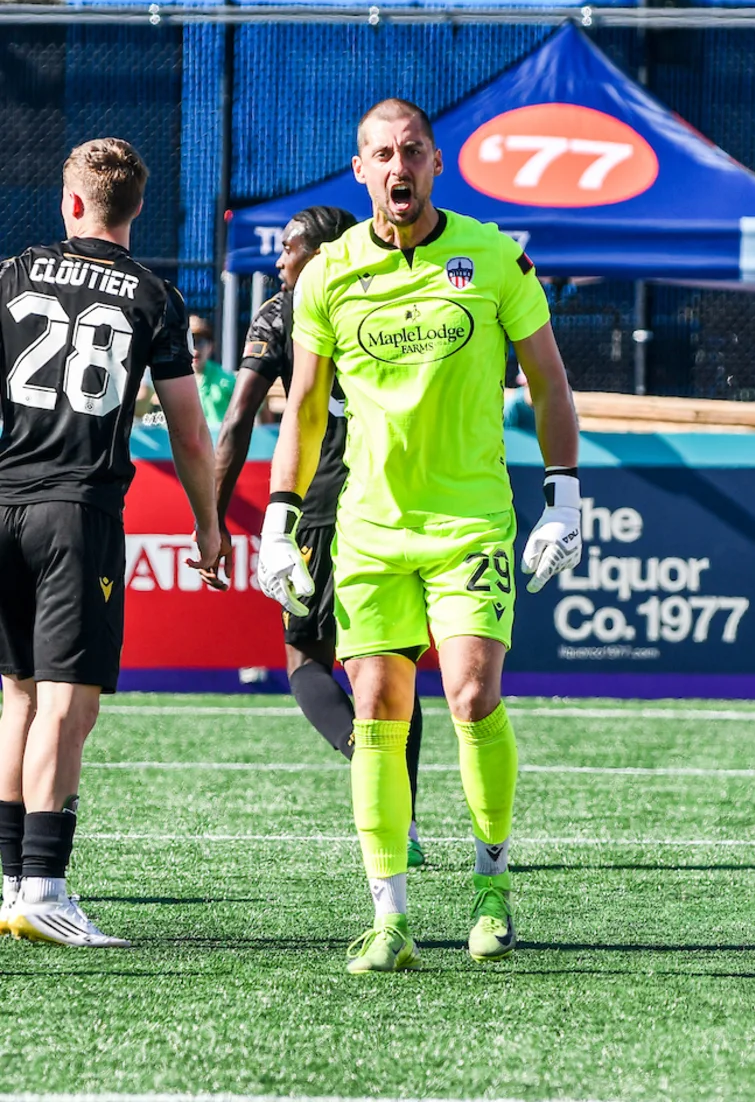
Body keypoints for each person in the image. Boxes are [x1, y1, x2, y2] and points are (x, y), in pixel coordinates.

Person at [257, 98, 582, 973]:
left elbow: (550, 383)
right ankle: (389, 916)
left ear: (436, 164)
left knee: (473, 695)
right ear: (359, 170)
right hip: (368, 527)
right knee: (377, 710)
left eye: (411, 152)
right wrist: (279, 519)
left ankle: (491, 889)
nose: (397, 167)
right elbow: (305, 410)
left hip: (470, 517)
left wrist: (565, 498)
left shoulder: (495, 255)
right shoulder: (326, 276)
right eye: (380, 155)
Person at [0, 138, 220, 947]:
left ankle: (12, 885)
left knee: (17, 695)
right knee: (68, 703)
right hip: (77, 512)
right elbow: (191, 435)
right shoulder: (153, 297)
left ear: (69, 204)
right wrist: (206, 522)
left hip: (6, 501)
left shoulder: (15, 274)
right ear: (135, 210)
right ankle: (44, 890)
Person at [205, 206, 425, 866]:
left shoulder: (284, 312)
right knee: (393, 668)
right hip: (395, 504)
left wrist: (212, 515)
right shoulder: (394, 294)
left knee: (306, 661)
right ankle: (404, 824)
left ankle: (368, 758)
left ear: (325, 250)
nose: (279, 260)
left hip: (319, 505)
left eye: (291, 248)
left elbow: (237, 419)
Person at [190, 315, 236, 425]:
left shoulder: (228, 381)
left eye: (200, 342)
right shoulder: (172, 382)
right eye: (189, 342)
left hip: (218, 440)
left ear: (211, 346)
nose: (195, 350)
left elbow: (259, 410)